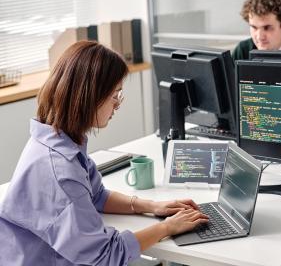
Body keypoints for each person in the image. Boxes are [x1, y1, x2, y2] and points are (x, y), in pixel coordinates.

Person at [0, 41, 209, 265]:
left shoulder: (57, 138)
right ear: (90, 97)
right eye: (115, 94)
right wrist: (167, 227)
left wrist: (152, 206)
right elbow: (105, 255)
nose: (118, 104)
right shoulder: (61, 172)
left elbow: (96, 195)